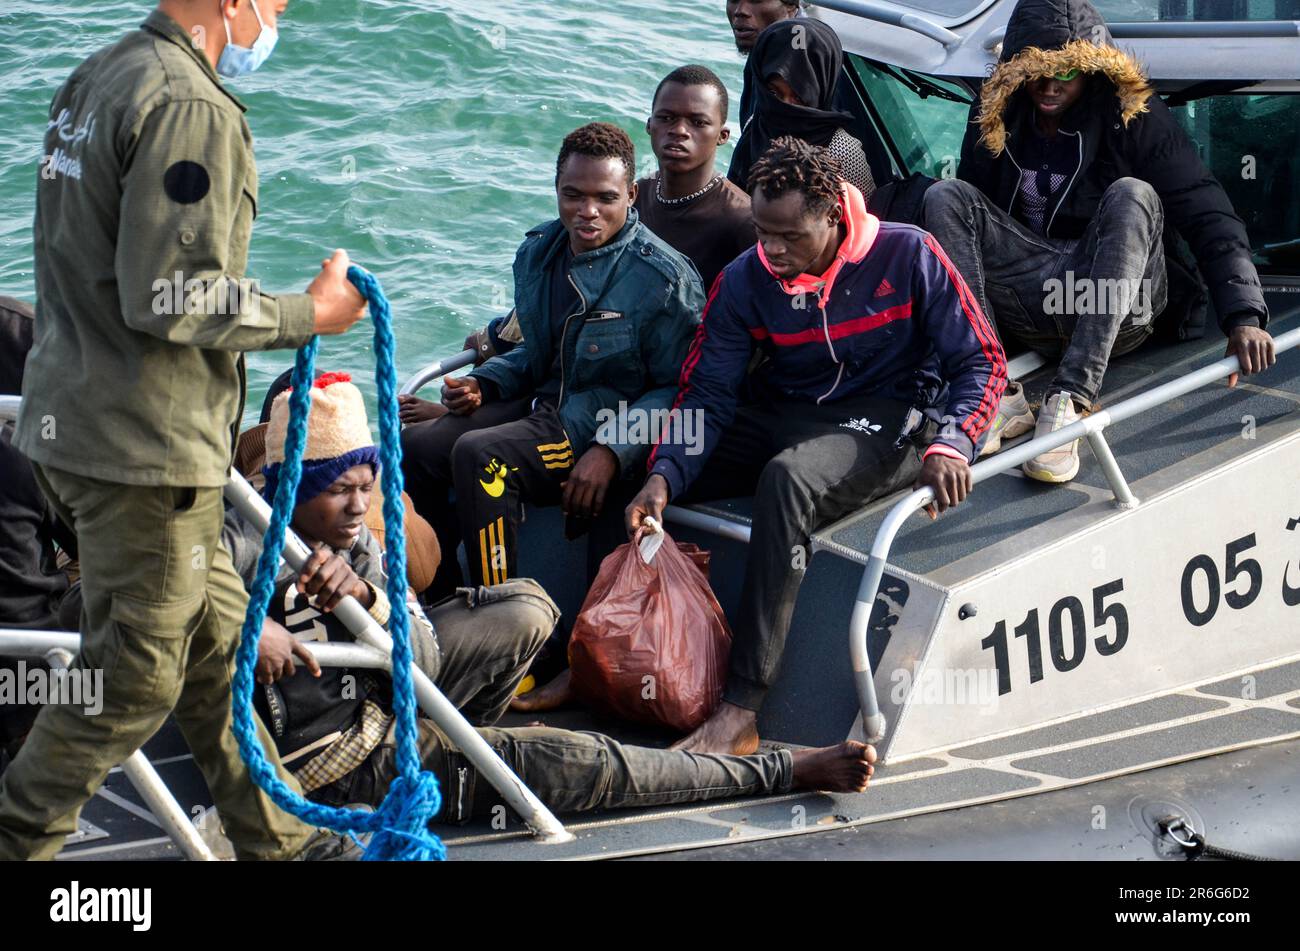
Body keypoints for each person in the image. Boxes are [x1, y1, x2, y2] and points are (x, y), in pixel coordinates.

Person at [0, 0, 370, 861]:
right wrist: (311, 313)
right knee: (132, 683)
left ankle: (277, 841)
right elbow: (171, 293)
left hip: (80, 427)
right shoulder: (190, 103)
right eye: (272, 0)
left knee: (213, 657)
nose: (277, 13)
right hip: (144, 452)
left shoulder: (99, 76)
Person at [224, 375, 878, 821]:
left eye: (367, 485)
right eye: (340, 489)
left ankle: (470, 743)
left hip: (384, 709)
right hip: (338, 762)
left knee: (526, 607)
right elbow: (181, 607)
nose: (359, 505)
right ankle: (778, 772)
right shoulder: (245, 540)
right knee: (577, 761)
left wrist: (369, 595)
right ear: (290, 486)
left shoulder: (357, 540)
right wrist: (253, 635)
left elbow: (417, 658)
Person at [625, 137, 1007, 755]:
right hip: (789, 409)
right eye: (761, 232)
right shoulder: (745, 278)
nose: (771, 250)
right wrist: (665, 475)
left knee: (787, 479)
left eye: (788, 237)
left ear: (833, 213)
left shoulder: (907, 253)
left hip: (888, 418)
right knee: (635, 464)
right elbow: (707, 394)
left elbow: (982, 361)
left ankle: (742, 709)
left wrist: (955, 441)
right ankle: (597, 649)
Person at [922, 0, 1274, 483]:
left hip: (1116, 302)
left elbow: (1205, 207)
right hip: (1031, 297)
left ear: (1090, 66)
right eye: (1036, 70)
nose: (1050, 85)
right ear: (1016, 68)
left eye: (1065, 70)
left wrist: (1243, 314)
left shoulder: (1132, 115)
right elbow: (972, 233)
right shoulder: (996, 114)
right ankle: (995, 391)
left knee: (1133, 195)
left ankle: (1071, 402)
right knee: (946, 196)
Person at [399, 122, 703, 603]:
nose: (587, 212)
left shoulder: (663, 279)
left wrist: (610, 449)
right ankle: (434, 601)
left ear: (632, 194)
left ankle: (500, 617)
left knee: (483, 458)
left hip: (603, 422)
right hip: (544, 406)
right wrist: (484, 383)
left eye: (605, 197)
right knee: (416, 447)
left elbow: (681, 393)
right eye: (572, 195)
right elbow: (538, 353)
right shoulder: (540, 253)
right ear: (556, 191)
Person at [634, 65, 756, 291]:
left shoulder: (743, 221)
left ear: (722, 135)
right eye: (666, 118)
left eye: (698, 122)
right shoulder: (634, 198)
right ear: (650, 125)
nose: (679, 130)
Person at [726, 18, 874, 201]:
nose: (785, 106)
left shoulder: (842, 150)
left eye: (800, 96)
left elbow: (861, 219)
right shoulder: (755, 126)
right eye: (773, 92)